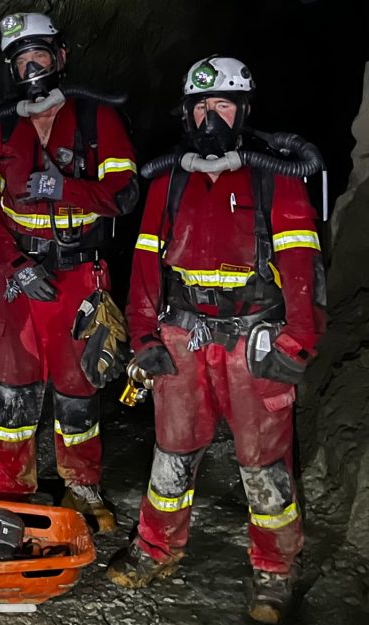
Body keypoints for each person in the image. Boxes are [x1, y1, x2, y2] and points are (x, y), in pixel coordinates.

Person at [107, 56, 326, 624]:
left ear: (245, 110)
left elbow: (303, 268)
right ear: (187, 113)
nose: (211, 117)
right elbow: (146, 264)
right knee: (171, 452)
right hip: (183, 334)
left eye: (222, 104)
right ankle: (157, 547)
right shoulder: (169, 178)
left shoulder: (272, 174)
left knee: (263, 461)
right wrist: (142, 336)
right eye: (201, 106)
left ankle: (275, 571)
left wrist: (297, 344)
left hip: (255, 338)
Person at [0, 13, 138, 528]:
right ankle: (9, 489)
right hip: (19, 276)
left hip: (79, 273)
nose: (30, 66)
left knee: (78, 384)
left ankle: (82, 486)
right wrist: (14, 265)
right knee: (11, 387)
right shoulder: (0, 127)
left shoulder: (96, 119)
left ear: (59, 57)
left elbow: (125, 194)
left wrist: (62, 188)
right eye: (20, 58)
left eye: (38, 54)